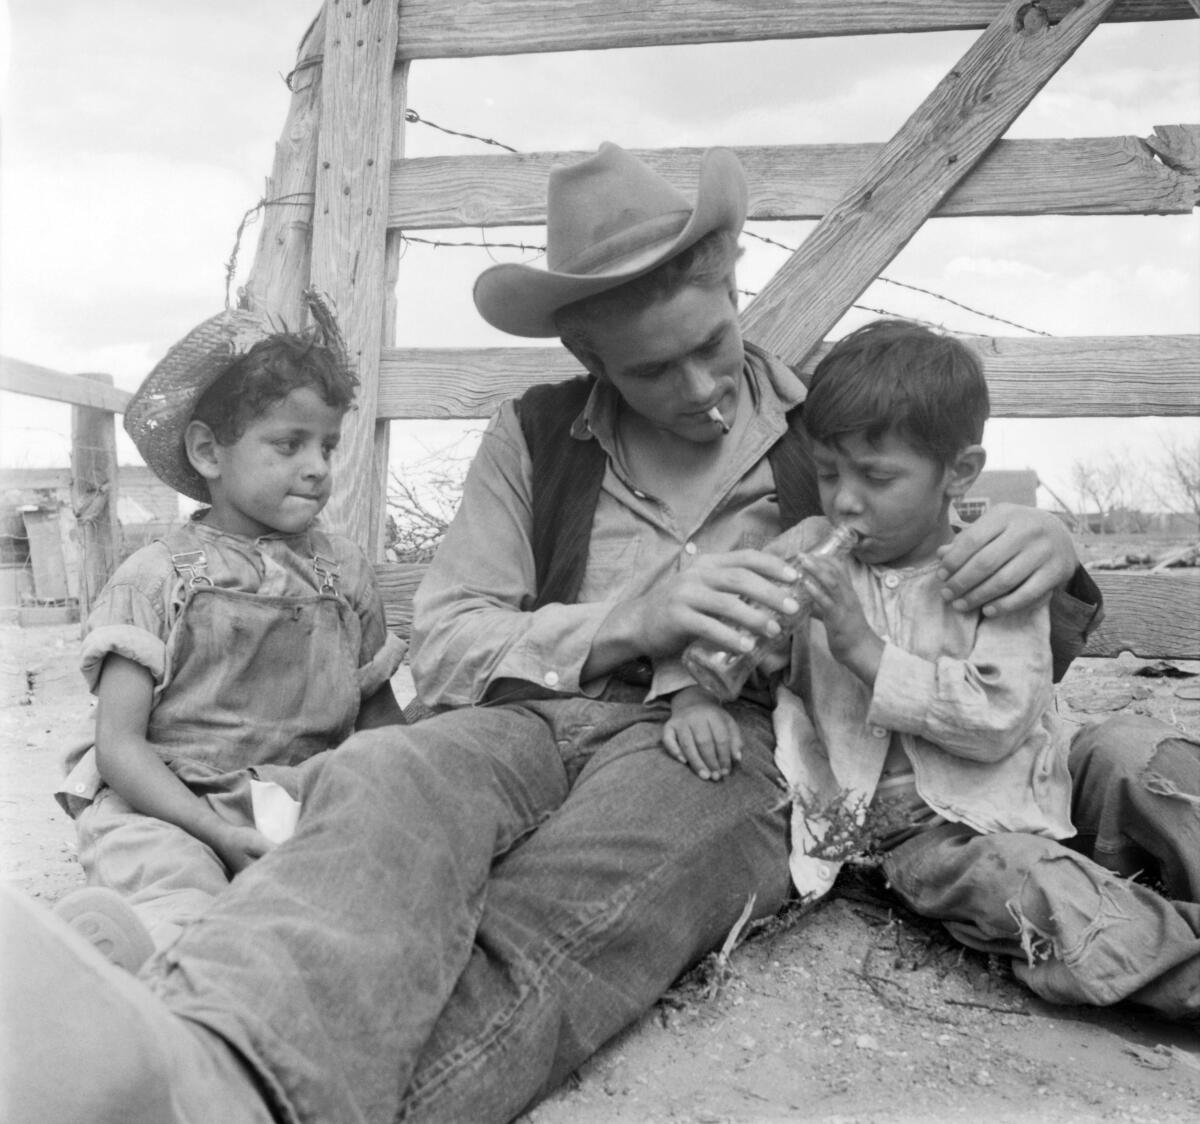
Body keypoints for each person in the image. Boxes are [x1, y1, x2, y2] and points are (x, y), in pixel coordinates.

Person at [4, 143, 1184, 1124]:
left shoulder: (830, 432)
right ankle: (185, 1044)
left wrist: (1051, 538)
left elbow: (948, 557)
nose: (705, 391)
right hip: (528, 716)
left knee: (592, 887)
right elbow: (456, 635)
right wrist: (626, 619)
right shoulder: (534, 434)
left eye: (715, 345)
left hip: (720, 743)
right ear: (585, 357)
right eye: (654, 371)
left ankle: (221, 1085)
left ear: (736, 286)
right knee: (387, 781)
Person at [766, 320, 1198, 1016]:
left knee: (1142, 755)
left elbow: (998, 720)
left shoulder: (991, 569)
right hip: (920, 825)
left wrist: (861, 647)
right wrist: (728, 654)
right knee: (1036, 886)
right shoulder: (811, 551)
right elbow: (747, 646)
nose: (844, 499)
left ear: (959, 474)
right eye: (826, 472)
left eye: (876, 477)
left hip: (1031, 769)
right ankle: (1181, 965)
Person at [51, 308, 406, 967]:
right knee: (181, 891)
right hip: (168, 804)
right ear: (209, 452)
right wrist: (211, 828)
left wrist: (402, 796)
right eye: (289, 444)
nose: (316, 467)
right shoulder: (155, 578)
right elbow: (120, 748)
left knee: (374, 891)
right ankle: (112, 972)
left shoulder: (343, 573)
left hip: (297, 800)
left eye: (327, 446)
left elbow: (381, 720)